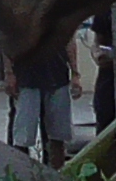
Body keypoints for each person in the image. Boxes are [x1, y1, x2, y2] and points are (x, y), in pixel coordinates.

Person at [5, 39, 81, 170]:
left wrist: (75, 73)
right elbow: (7, 39)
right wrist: (9, 73)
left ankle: (56, 175)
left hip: (57, 75)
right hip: (26, 77)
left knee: (58, 135)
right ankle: (20, 175)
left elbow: (69, 38)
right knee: (23, 134)